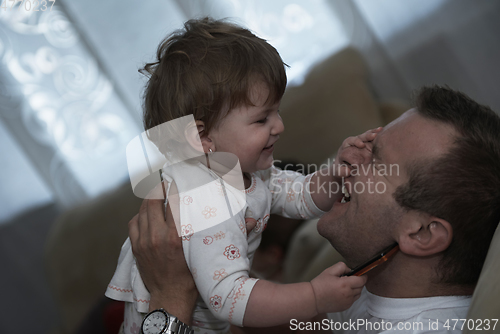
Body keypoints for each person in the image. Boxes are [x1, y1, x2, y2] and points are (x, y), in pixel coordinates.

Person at [129, 85, 500, 333]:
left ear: (421, 233)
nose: (351, 154)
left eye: (377, 161)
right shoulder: (374, 293)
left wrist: (171, 297)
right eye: (369, 141)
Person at [106, 17, 374, 334]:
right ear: (202, 139)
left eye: (277, 111)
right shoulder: (204, 201)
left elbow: (301, 197)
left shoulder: (242, 172)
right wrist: (313, 296)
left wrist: (336, 174)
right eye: (262, 119)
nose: (279, 126)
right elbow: (230, 297)